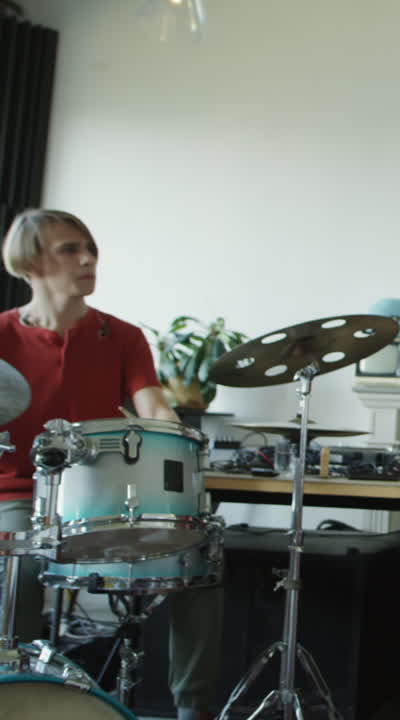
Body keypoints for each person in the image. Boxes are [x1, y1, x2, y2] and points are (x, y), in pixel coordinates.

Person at [0, 209, 223, 720]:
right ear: (29, 263)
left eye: (90, 249)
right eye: (69, 250)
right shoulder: (3, 338)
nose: (87, 259)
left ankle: (193, 710)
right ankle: (19, 697)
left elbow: (154, 406)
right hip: (18, 494)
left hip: (102, 497)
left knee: (199, 554)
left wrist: (174, 437)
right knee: (23, 565)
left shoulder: (121, 336)